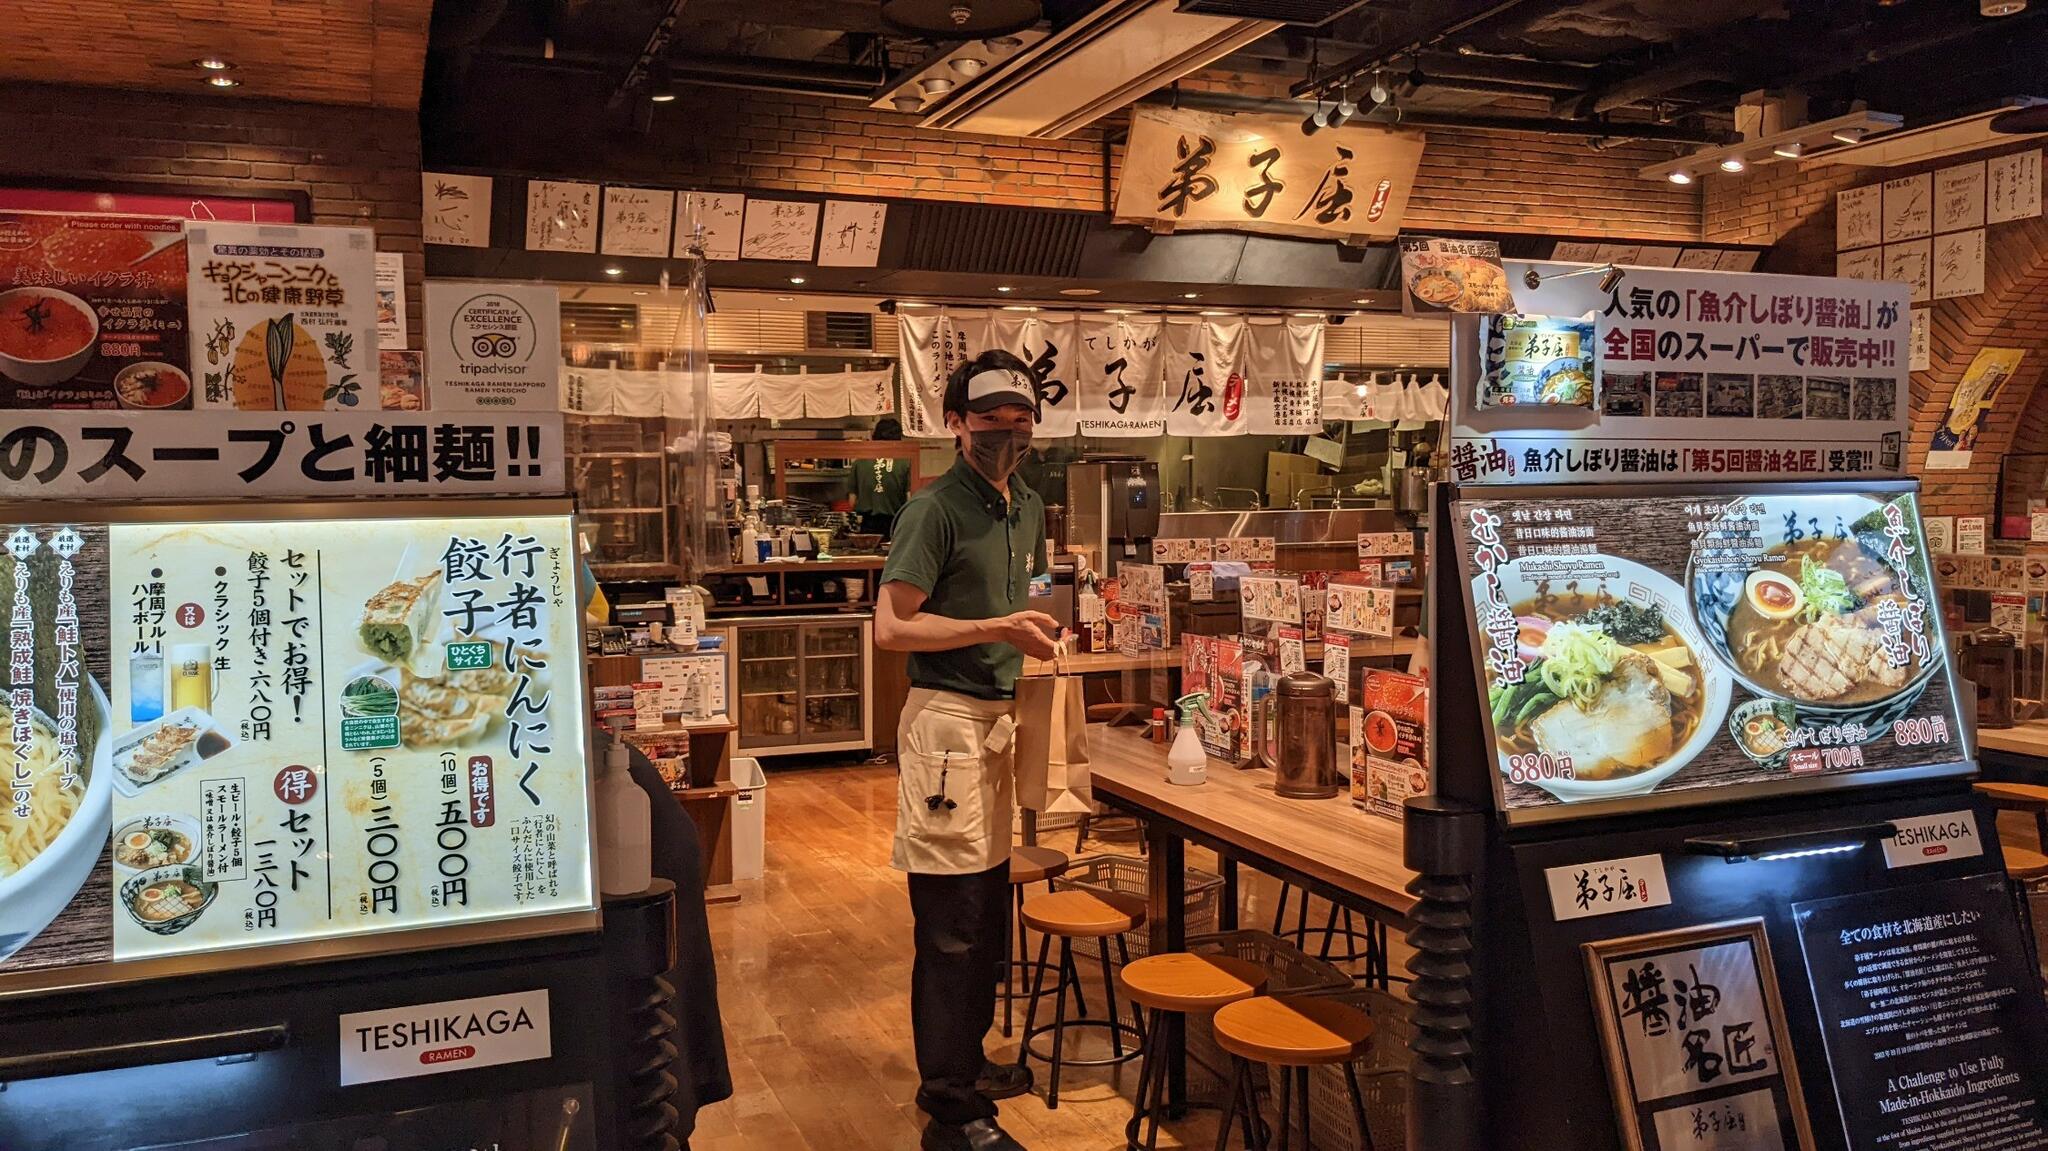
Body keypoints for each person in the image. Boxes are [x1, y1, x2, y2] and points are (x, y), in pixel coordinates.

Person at [875, 349, 1060, 1151]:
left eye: (1020, 427)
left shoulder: (1027, 505)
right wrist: (997, 628)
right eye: (989, 426)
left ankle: (968, 1064)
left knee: (986, 916)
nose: (1005, 440)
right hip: (947, 723)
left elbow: (1024, 597)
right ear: (955, 424)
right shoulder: (935, 508)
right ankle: (950, 1111)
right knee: (950, 922)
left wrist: (1040, 625)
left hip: (999, 720)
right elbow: (891, 626)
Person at [852, 415, 912, 538]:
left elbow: (852, 501)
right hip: (895, 525)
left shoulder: (860, 461)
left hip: (867, 526)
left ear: (874, 437)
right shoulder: (904, 462)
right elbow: (909, 498)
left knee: (869, 555)